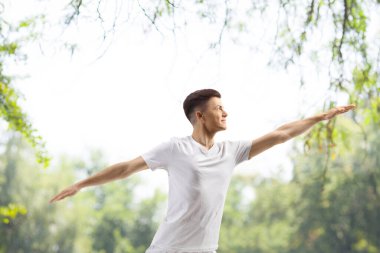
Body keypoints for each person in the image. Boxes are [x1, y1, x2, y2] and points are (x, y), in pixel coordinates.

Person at [49, 89, 356, 253]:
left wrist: (321, 116)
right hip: (168, 249)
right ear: (200, 115)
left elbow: (281, 133)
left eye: (224, 107)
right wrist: (81, 184)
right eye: (218, 108)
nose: (225, 112)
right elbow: (127, 167)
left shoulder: (231, 151)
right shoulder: (175, 148)